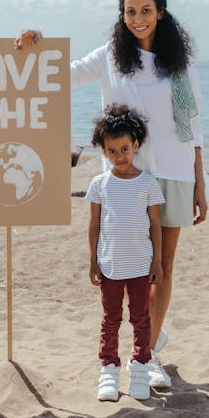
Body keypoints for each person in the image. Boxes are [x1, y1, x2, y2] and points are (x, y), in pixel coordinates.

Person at [15, 0, 209, 389]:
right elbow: (61, 75)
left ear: (160, 13)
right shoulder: (109, 58)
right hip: (125, 178)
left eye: (145, 11)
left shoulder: (178, 63)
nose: (138, 18)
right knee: (126, 267)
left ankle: (150, 352)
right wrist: (40, 43)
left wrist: (199, 181)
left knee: (161, 267)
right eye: (129, 11)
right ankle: (140, 344)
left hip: (173, 170)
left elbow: (193, 126)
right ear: (121, 16)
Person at [87, 104, 164, 401]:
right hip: (109, 266)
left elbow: (155, 225)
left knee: (141, 319)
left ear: (135, 146)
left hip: (141, 266)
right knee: (111, 319)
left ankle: (141, 365)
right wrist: (93, 260)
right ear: (104, 152)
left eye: (124, 149)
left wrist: (156, 260)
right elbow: (94, 225)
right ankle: (108, 368)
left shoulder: (147, 183)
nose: (119, 157)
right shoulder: (99, 184)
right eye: (112, 151)